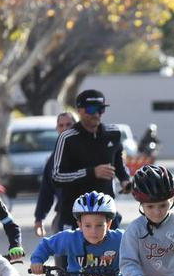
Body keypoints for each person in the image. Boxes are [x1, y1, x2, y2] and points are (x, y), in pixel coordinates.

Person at [52, 90, 132, 230]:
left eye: (101, 109)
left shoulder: (113, 133)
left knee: (117, 250)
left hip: (105, 211)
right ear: (80, 111)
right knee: (69, 252)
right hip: (75, 214)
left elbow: (119, 163)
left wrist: (125, 180)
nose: (96, 114)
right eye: (91, 109)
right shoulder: (67, 138)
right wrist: (91, 173)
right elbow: (57, 176)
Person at [33, 112, 76, 238]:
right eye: (61, 125)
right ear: (57, 129)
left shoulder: (87, 149)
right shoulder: (55, 157)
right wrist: (39, 218)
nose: (65, 128)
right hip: (65, 215)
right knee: (62, 254)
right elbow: (46, 190)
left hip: (91, 215)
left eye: (69, 124)